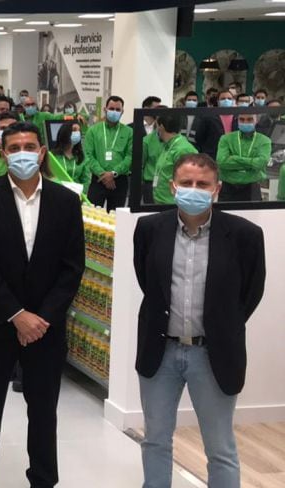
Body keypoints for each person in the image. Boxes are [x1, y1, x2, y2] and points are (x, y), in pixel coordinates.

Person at [0, 121, 85, 488]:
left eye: (29, 146)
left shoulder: (65, 201)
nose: (22, 153)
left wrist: (41, 317)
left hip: (46, 326)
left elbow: (71, 267)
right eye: (14, 147)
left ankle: (43, 479)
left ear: (42, 152)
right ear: (2, 153)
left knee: (44, 410)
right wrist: (16, 315)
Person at [133, 154, 265, 488]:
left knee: (220, 448)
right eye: (187, 183)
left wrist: (222, 327)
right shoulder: (150, 229)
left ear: (217, 189)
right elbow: (148, 282)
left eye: (203, 184)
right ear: (172, 186)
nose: (194, 190)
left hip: (213, 354)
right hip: (159, 351)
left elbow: (249, 294)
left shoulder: (245, 235)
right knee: (155, 440)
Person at [84, 96, 134, 210]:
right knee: (93, 217)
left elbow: (130, 157)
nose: (114, 112)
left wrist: (113, 173)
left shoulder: (129, 132)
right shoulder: (93, 131)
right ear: (105, 109)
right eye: (111, 108)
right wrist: (102, 174)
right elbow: (88, 156)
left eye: (118, 110)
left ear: (122, 112)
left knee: (116, 218)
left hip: (119, 181)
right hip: (98, 180)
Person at [216, 112, 270, 202]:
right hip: (228, 187)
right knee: (225, 215)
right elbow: (221, 162)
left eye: (249, 119)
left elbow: (260, 163)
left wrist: (234, 158)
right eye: (242, 120)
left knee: (253, 216)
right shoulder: (226, 138)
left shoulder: (264, 140)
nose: (245, 122)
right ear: (237, 121)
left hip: (252, 187)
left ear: (256, 121)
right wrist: (251, 163)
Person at [152, 114, 200, 205]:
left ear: (161, 127)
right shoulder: (167, 145)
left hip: (173, 203)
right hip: (161, 200)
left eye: (156, 126)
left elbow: (189, 179)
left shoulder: (183, 149)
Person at [48, 121, 91, 195]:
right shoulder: (52, 156)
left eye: (78, 131)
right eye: (74, 130)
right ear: (65, 132)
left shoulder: (82, 156)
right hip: (57, 194)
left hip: (77, 196)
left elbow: (86, 181)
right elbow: (48, 178)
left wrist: (80, 194)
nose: (77, 133)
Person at [193, 91, 238, 159]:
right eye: (223, 99)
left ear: (233, 101)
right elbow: (199, 137)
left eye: (229, 98)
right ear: (218, 101)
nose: (226, 100)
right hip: (212, 156)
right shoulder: (208, 117)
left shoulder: (238, 117)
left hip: (233, 156)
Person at [137, 97, 164, 203]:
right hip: (147, 181)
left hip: (163, 182)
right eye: (155, 108)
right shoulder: (133, 127)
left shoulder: (164, 133)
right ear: (146, 108)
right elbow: (141, 162)